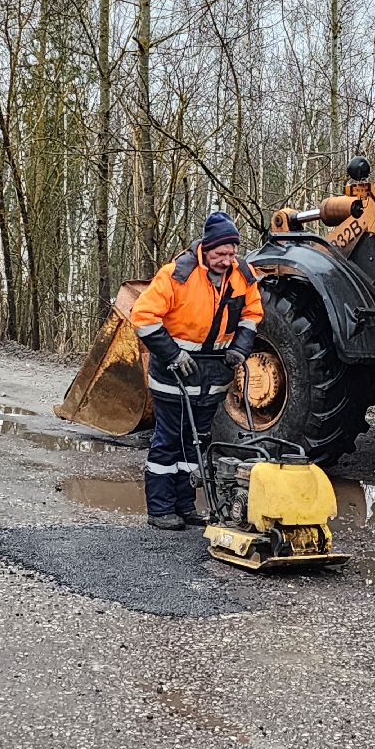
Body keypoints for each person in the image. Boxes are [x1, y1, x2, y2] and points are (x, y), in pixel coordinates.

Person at [129, 212, 263, 530]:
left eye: (232, 253)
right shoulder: (178, 274)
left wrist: (240, 348)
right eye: (221, 253)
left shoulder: (242, 275)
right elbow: (143, 316)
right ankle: (161, 509)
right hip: (175, 373)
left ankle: (186, 506)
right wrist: (172, 354)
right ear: (206, 248)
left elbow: (253, 312)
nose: (227, 260)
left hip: (213, 375)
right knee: (168, 440)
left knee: (196, 442)